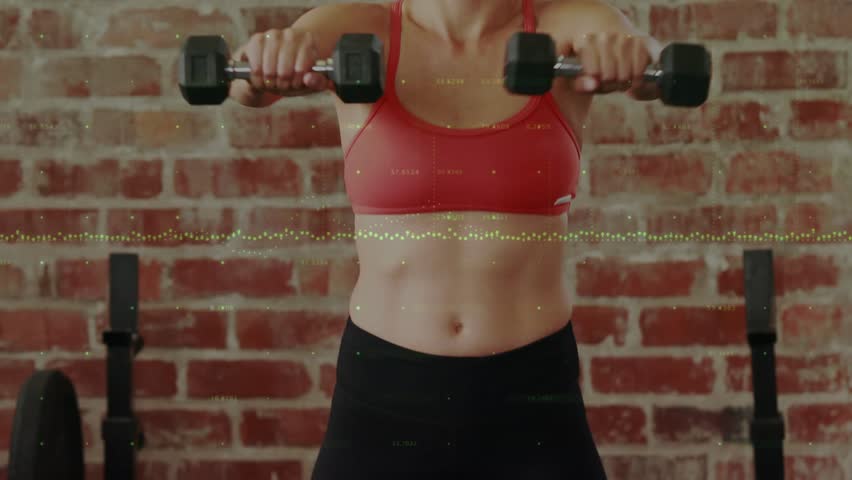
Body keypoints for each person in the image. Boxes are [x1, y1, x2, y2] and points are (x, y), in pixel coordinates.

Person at [230, 1, 662, 478]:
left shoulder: (566, 23)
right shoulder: (356, 25)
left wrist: (631, 58)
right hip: (383, 395)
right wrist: (265, 60)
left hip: (531, 395)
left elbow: (646, 59)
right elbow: (246, 86)